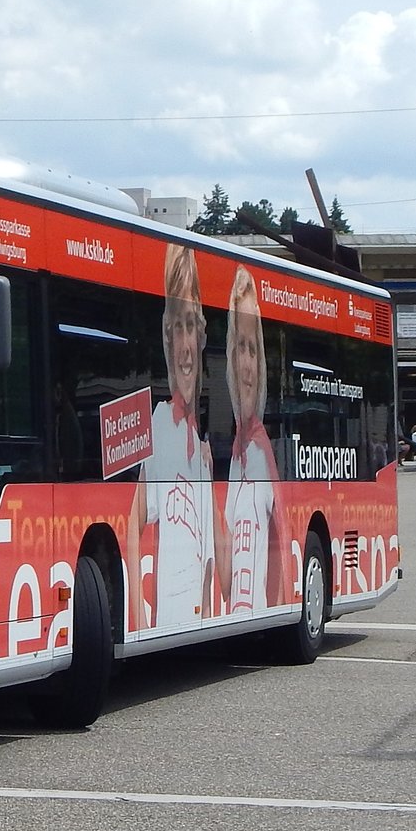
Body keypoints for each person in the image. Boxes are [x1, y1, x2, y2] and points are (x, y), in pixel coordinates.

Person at [127, 244, 222, 631]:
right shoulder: (160, 423)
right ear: (167, 338)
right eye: (176, 328)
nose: (184, 346)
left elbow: (213, 566)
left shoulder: (199, 444)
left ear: (202, 336)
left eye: (191, 326)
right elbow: (131, 530)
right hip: (165, 620)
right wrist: (137, 616)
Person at [222, 265, 294, 613]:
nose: (247, 364)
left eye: (253, 349)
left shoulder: (261, 450)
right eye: (240, 348)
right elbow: (226, 579)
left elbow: (281, 572)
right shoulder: (236, 451)